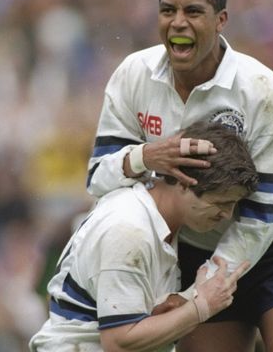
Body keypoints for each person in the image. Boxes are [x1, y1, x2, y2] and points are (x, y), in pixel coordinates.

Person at [86, 0, 273, 351]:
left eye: (193, 12)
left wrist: (197, 296)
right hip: (190, 253)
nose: (178, 23)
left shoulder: (266, 94)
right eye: (168, 10)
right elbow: (98, 178)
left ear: (221, 20)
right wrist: (147, 156)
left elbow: (262, 215)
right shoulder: (133, 74)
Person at [30, 121, 258, 351]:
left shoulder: (159, 221)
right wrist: (201, 307)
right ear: (183, 182)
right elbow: (118, 342)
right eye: (221, 203)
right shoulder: (129, 230)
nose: (227, 215)